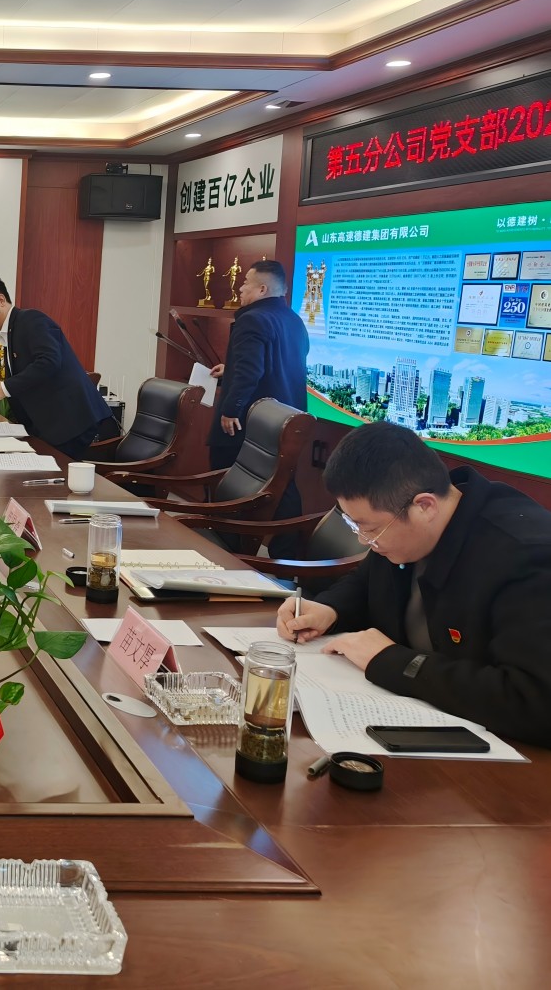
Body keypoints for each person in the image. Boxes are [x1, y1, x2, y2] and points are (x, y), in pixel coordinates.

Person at [277, 422, 551, 747]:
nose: (364, 541)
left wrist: (393, 662)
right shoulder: (404, 524)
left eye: (369, 529)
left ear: (424, 506)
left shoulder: (527, 557)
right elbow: (367, 584)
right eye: (354, 526)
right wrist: (330, 609)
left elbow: (534, 701)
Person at [0, 274, 110, 460]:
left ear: (0, 300)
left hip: (72, 423)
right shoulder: (10, 331)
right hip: (50, 425)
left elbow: (49, 361)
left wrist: (5, 387)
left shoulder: (31, 320)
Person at [207, 259, 309, 471]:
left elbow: (250, 372)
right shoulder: (294, 319)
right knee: (274, 481)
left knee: (229, 478)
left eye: (245, 282)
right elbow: (281, 362)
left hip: (248, 425)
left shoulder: (252, 319)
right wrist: (230, 368)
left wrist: (231, 410)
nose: (240, 288)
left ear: (262, 289)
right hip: (283, 423)